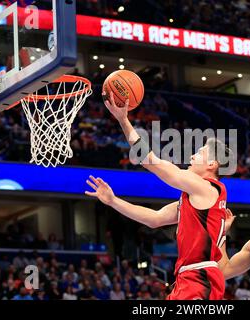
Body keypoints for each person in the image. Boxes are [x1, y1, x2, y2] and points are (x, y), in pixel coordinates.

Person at [85, 96, 234, 300]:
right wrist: (113, 201)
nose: (191, 156)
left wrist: (123, 121)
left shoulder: (207, 188)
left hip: (199, 278)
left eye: (199, 153)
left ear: (212, 165)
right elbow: (154, 219)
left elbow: (150, 161)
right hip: (188, 278)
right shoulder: (197, 197)